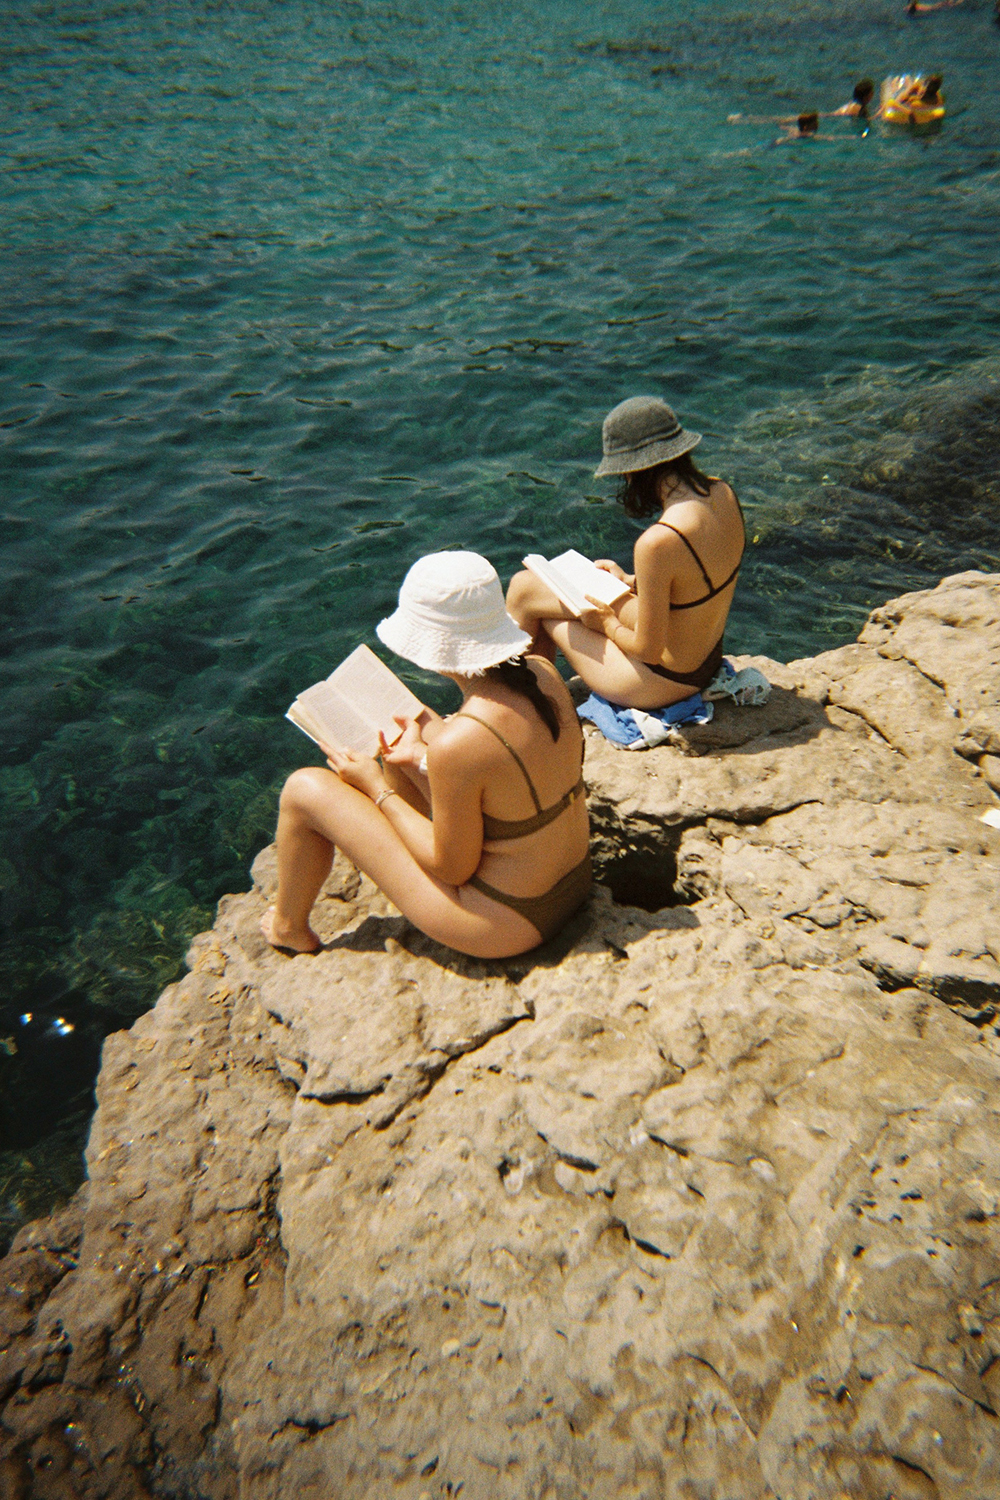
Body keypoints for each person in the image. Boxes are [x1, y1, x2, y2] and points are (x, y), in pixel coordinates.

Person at [261, 552, 591, 959]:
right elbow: (495, 753)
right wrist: (419, 754)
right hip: (571, 884)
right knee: (409, 726)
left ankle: (288, 928)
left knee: (303, 789)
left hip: (502, 924)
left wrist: (376, 788)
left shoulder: (460, 744)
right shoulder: (544, 673)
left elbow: (451, 868)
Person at [506, 396, 745, 711]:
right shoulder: (722, 492)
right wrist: (631, 580)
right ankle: (529, 701)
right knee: (526, 586)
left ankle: (515, 708)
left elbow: (647, 651)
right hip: (704, 659)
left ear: (638, 470)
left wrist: (605, 624)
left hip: (660, 681)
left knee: (535, 605)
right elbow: (696, 581)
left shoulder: (658, 541)